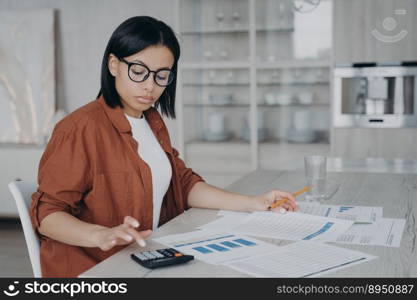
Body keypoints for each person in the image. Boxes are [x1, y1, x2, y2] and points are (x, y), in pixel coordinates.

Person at [30, 16, 298, 278]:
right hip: (91, 270)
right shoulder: (79, 129)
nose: (150, 86)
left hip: (145, 257)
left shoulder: (151, 120)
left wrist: (252, 203)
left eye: (161, 76)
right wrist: (99, 234)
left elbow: (183, 184)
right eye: (138, 71)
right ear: (113, 64)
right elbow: (48, 214)